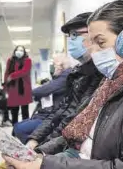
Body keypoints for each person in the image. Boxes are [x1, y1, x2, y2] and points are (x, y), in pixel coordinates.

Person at [3, 0, 123, 169]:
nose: (94, 52)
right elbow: (76, 136)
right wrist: (39, 155)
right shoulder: (113, 82)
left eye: (100, 42)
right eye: (91, 42)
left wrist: (44, 165)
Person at [25, 12, 103, 149]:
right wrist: (35, 139)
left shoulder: (100, 74)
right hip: (60, 140)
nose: (71, 41)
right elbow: (61, 111)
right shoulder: (79, 74)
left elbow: (73, 119)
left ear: (93, 36)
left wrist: (42, 149)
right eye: (70, 36)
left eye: (75, 35)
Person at [13, 54, 72, 144]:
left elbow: (46, 89)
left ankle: (35, 149)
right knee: (17, 126)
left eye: (54, 64)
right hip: (48, 113)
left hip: (53, 116)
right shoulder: (60, 77)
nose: (53, 67)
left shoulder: (65, 76)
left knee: (19, 128)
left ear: (61, 65)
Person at [4, 45, 33, 125]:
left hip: (24, 89)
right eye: (17, 50)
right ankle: (14, 131)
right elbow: (6, 73)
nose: (19, 52)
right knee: (14, 113)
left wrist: (12, 76)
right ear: (14, 51)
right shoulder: (10, 60)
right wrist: (6, 87)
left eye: (21, 50)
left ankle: (25, 129)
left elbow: (24, 71)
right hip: (13, 89)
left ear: (24, 52)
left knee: (25, 112)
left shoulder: (28, 60)